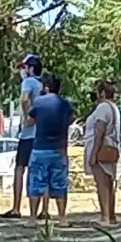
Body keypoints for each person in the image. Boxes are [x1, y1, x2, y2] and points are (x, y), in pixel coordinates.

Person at [26, 72, 73, 228]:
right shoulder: (65, 104)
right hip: (59, 148)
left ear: (46, 87)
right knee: (60, 184)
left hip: (40, 147)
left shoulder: (39, 103)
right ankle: (62, 218)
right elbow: (68, 123)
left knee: (36, 183)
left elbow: (29, 121)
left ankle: (33, 218)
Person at [6, 53, 44, 219]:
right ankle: (43, 209)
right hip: (41, 133)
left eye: (24, 67)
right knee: (39, 171)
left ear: (31, 68)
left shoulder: (28, 82)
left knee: (20, 169)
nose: (22, 70)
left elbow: (23, 99)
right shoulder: (42, 85)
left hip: (28, 134)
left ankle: (16, 207)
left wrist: (29, 116)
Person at [84, 80, 120, 227]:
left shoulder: (102, 108)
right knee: (108, 182)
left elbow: (100, 130)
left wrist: (94, 153)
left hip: (102, 148)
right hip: (110, 147)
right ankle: (110, 215)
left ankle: (105, 216)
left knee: (102, 183)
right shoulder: (114, 108)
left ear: (102, 93)